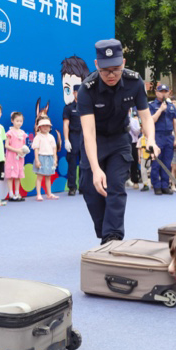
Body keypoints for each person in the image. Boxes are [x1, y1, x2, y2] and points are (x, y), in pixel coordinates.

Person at [77, 39, 155, 244]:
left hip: (120, 138)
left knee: (115, 187)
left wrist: (152, 140)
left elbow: (146, 117)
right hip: (94, 140)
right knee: (90, 188)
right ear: (96, 65)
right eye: (105, 70)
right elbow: (88, 132)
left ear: (124, 62)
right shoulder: (87, 89)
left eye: (116, 69)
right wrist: (95, 169)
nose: (111, 75)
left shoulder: (134, 82)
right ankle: (105, 232)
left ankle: (112, 237)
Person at [149, 84, 176, 195]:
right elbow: (151, 120)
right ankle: (156, 186)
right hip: (157, 136)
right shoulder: (152, 105)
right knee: (157, 162)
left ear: (169, 93)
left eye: (165, 91)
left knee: (167, 162)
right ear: (156, 92)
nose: (163, 93)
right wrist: (161, 109)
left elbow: (175, 123)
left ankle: (165, 185)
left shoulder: (171, 106)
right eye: (161, 91)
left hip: (169, 137)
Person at [63, 84, 83, 196]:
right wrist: (66, 140)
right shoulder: (69, 107)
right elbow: (66, 124)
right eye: (77, 92)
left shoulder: (86, 107)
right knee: (72, 163)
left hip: (84, 137)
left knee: (84, 164)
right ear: (74, 93)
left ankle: (83, 186)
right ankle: (72, 187)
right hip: (73, 136)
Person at [33, 117, 58, 201]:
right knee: (39, 177)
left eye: (47, 126)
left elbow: (54, 149)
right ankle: (39, 194)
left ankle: (49, 194)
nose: (45, 127)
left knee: (48, 177)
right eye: (43, 125)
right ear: (39, 127)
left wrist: (55, 159)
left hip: (50, 158)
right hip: (41, 157)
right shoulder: (38, 137)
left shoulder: (51, 137)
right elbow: (36, 149)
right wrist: (37, 160)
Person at [5, 111, 28, 202]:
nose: (19, 123)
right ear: (12, 121)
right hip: (11, 156)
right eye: (17, 121)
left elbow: (24, 145)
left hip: (20, 157)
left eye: (21, 121)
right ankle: (11, 194)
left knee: (18, 175)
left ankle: (17, 193)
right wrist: (16, 150)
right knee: (11, 175)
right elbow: (6, 145)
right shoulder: (10, 132)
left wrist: (23, 151)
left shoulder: (23, 133)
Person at [127, 109, 142, 190]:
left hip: (133, 143)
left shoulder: (134, 121)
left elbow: (137, 132)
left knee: (134, 162)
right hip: (123, 143)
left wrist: (130, 124)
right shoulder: (119, 120)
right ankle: (124, 180)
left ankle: (135, 181)